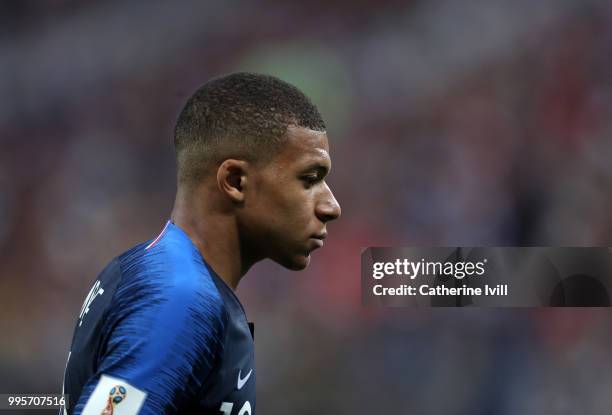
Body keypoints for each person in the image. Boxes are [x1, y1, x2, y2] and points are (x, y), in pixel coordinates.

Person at [60, 72, 341, 415]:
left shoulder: (147, 271)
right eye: (309, 179)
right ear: (235, 181)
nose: (331, 206)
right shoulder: (180, 299)